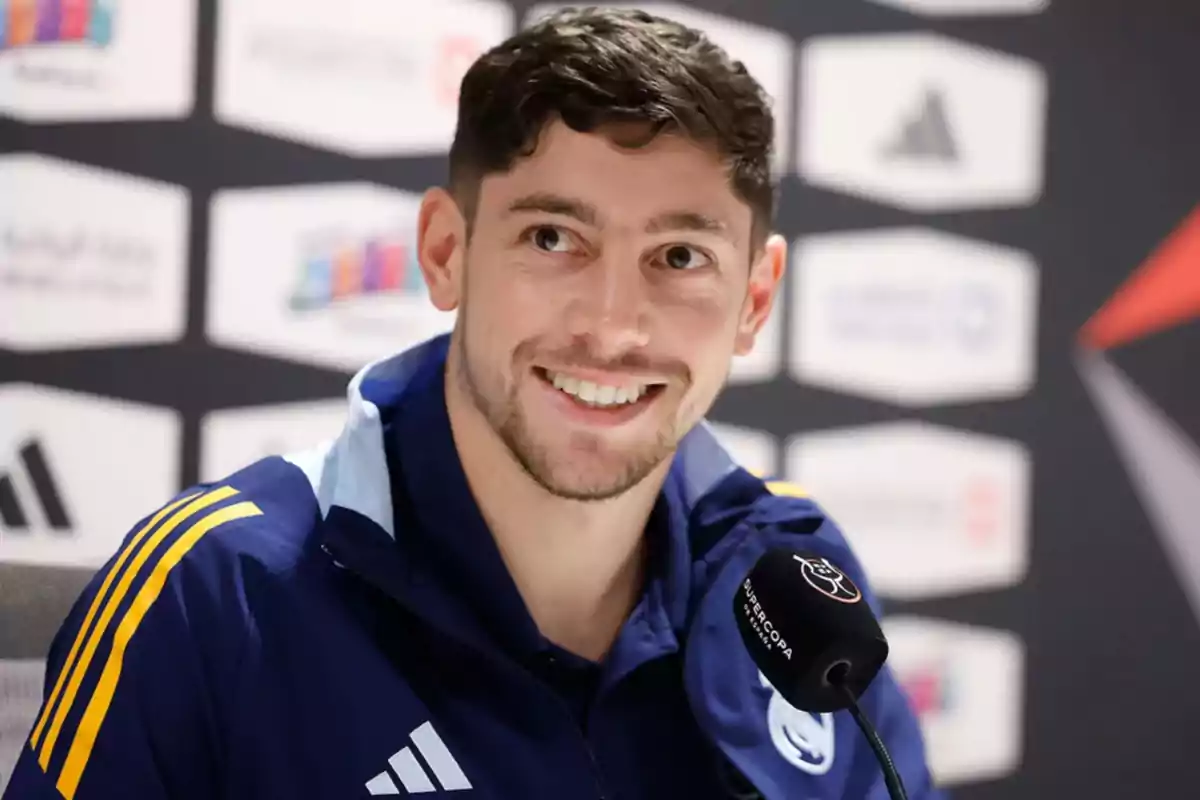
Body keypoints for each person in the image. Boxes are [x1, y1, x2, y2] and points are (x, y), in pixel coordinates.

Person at [3, 7, 942, 799]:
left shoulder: (794, 585)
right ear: (447, 252)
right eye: (552, 238)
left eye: (680, 257)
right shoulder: (214, 592)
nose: (614, 327)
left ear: (754, 300)